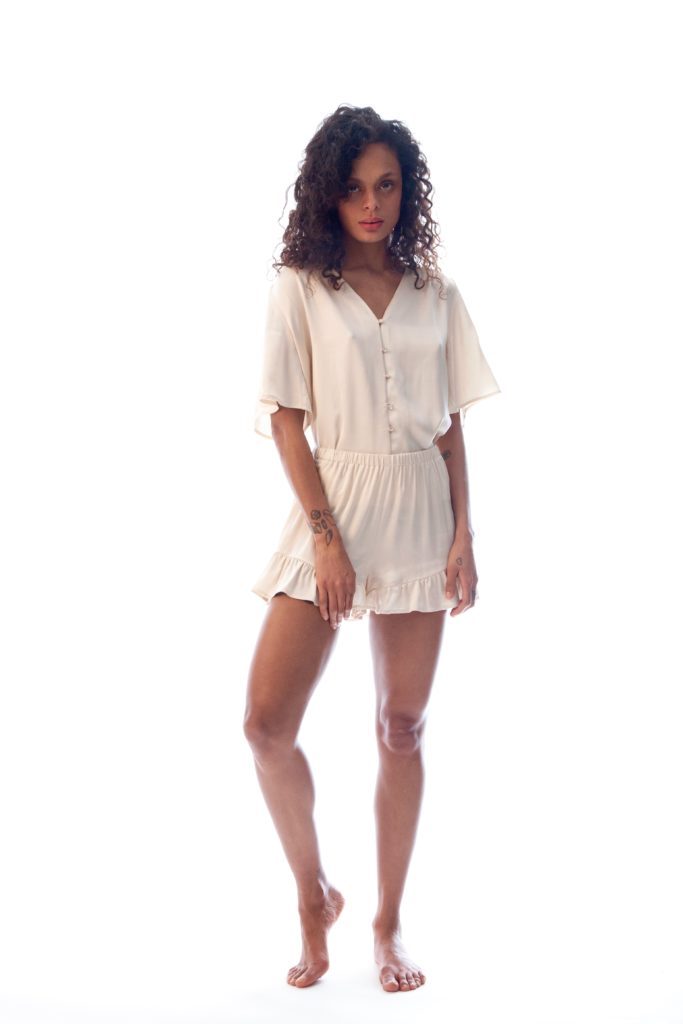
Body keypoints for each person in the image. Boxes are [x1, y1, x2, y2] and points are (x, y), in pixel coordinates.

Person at [243, 104, 500, 994]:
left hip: (421, 514)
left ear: (406, 191)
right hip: (335, 506)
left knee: (401, 726)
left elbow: (450, 427)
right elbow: (286, 420)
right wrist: (325, 539)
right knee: (265, 726)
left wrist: (464, 534)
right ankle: (313, 893)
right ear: (328, 192)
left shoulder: (436, 292)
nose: (370, 204)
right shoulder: (300, 286)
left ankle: (387, 924)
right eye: (353, 187)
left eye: (386, 185)